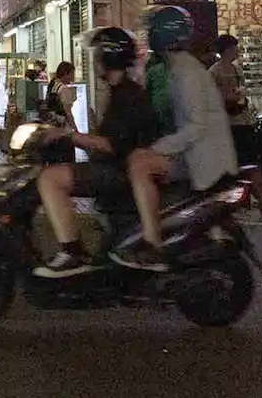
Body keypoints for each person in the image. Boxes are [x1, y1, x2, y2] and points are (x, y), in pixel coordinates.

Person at [33, 27, 166, 276]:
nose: (94, 62)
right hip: (115, 166)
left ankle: (72, 251)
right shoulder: (119, 92)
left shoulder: (129, 95)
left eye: (97, 57)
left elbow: (112, 145)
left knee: (50, 179)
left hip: (120, 170)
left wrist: (69, 135)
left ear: (108, 59)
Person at [150, 7, 240, 205]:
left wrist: (157, 148)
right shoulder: (179, 69)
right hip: (198, 157)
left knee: (139, 165)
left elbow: (196, 126)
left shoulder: (186, 74)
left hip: (204, 162)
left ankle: (150, 234)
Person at [208, 34, 262, 218]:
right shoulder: (213, 72)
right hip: (226, 126)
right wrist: (227, 98)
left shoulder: (237, 70)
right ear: (227, 49)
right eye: (235, 47)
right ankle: (232, 208)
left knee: (251, 166)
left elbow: (242, 93)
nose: (237, 50)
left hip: (244, 123)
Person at [41, 60, 77, 165]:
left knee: (54, 161)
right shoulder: (64, 89)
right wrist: (76, 129)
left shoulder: (53, 86)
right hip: (63, 130)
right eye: (71, 74)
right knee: (66, 161)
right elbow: (68, 113)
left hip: (52, 129)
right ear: (66, 74)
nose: (73, 77)